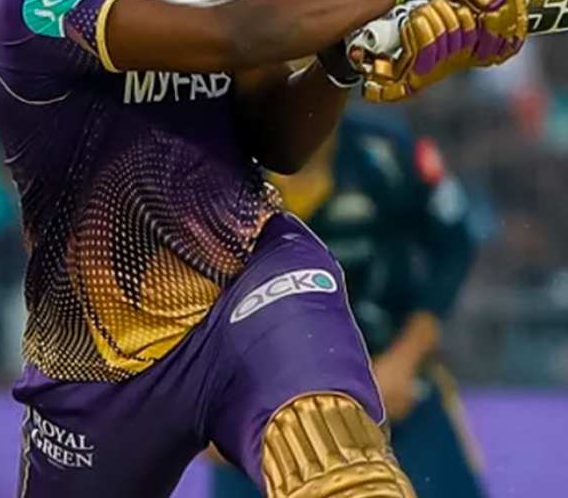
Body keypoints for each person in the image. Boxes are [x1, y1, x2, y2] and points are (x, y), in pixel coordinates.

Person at [0, 0, 528, 497]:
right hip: (100, 356)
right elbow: (228, 33)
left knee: (343, 474)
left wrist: (340, 61)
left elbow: (279, 142)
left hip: (251, 277)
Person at [209, 110, 487, 497]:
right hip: (259, 408)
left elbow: (455, 243)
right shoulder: (211, 165)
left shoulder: (388, 151)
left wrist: (406, 357)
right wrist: (202, 407)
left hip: (391, 383)